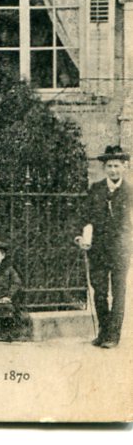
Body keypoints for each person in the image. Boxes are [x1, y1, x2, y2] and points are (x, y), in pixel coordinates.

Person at [76, 144, 132, 348]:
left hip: (120, 249)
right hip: (97, 248)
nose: (113, 170)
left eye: (117, 165)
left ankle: (113, 336)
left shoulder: (130, 192)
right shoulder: (96, 189)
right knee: (99, 290)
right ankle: (103, 331)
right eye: (109, 166)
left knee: (118, 291)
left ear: (124, 166)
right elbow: (85, 216)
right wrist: (82, 237)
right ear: (104, 168)